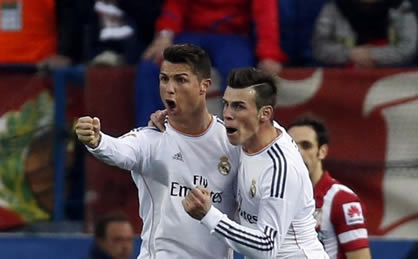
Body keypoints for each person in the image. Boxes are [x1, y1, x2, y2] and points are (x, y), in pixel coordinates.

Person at [75, 44, 240, 258]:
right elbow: (118, 150)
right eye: (164, 79)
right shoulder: (151, 139)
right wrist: (97, 140)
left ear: (203, 86)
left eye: (180, 80)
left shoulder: (232, 143)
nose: (169, 88)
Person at [182, 68, 328, 258]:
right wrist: (168, 124)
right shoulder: (249, 136)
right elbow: (208, 132)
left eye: (239, 107)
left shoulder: (280, 167)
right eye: (226, 104)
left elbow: (266, 247)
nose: (227, 114)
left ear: (264, 113)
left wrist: (209, 216)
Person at [134, 0, 287, 126]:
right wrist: (164, 35)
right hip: (191, 32)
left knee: (241, 78)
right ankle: (149, 140)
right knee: (153, 65)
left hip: (232, 35)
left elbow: (265, 11)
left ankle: (241, 141)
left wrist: (268, 54)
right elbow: (176, 4)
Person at [287, 117, 372, 259]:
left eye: (306, 146)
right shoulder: (275, 195)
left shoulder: (342, 200)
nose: (298, 153)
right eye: (292, 146)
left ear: (322, 151)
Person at [312, 0, 417, 67]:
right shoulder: (334, 7)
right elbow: (319, 48)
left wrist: (372, 55)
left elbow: (409, 49)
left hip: (392, 78)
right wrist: (350, 54)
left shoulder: (401, 7)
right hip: (343, 78)